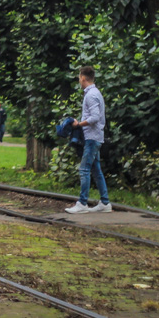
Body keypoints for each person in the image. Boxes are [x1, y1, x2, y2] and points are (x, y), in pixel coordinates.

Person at [65, 66, 110, 214]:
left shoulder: (91, 95)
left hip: (92, 138)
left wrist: (79, 124)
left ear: (83, 78)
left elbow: (95, 117)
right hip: (95, 137)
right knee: (96, 170)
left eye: (79, 78)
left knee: (84, 169)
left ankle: (82, 203)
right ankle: (105, 203)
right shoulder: (96, 93)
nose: (79, 80)